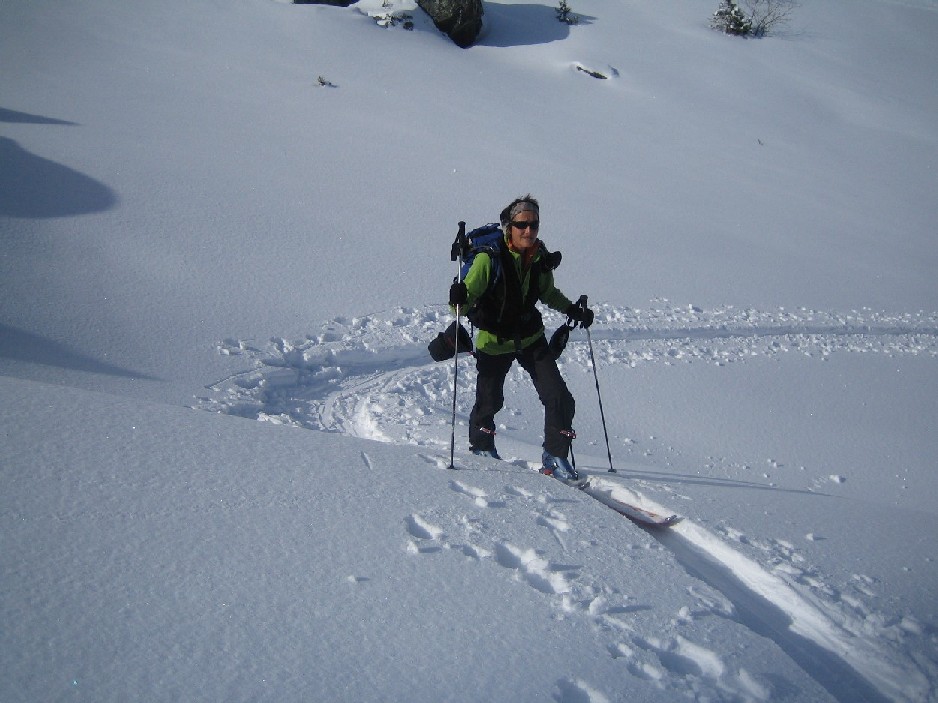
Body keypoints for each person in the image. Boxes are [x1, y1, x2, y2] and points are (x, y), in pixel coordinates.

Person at [449, 195, 594, 482]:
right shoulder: (487, 259)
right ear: (509, 226)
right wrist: (458, 300)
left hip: (530, 337)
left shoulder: (538, 256)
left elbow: (547, 293)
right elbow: (463, 303)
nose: (528, 231)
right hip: (493, 340)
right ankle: (481, 446)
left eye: (534, 225)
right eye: (522, 225)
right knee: (489, 400)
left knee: (560, 397)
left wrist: (571, 309)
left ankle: (555, 456)